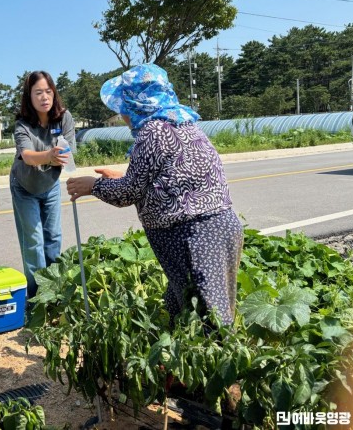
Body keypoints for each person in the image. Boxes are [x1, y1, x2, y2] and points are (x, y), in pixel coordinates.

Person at [66, 64, 243, 325]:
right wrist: (119, 176)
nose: (122, 114)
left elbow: (129, 193)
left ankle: (217, 363)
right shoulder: (184, 123)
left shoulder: (152, 132)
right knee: (179, 302)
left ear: (136, 104)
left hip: (193, 236)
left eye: (124, 106)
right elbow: (169, 175)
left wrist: (92, 186)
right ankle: (175, 358)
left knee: (208, 320)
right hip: (218, 228)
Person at [10, 70, 75, 299]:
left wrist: (62, 156)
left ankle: (54, 290)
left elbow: (70, 151)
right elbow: (27, 155)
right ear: (29, 96)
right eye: (38, 93)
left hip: (50, 184)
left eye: (48, 91)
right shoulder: (22, 125)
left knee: (54, 237)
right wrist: (49, 156)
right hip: (24, 186)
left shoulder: (64, 118)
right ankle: (36, 296)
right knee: (34, 241)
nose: (44, 97)